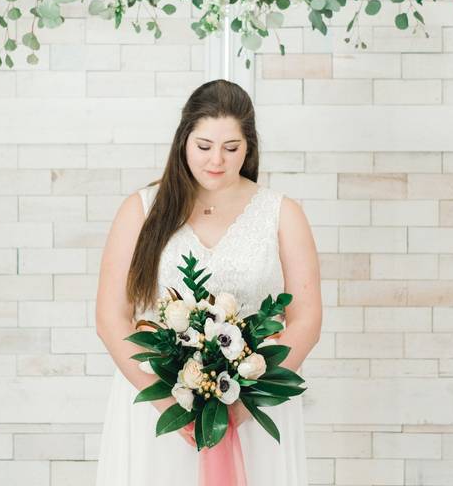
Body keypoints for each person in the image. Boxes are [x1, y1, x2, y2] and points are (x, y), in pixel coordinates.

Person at [94, 79, 322, 485]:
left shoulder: (281, 213)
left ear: (248, 146)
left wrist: (247, 400)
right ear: (183, 140)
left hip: (254, 399)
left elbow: (306, 319)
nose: (216, 160)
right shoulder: (142, 209)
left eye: (231, 148)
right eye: (204, 146)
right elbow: (112, 317)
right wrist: (167, 403)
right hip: (159, 401)